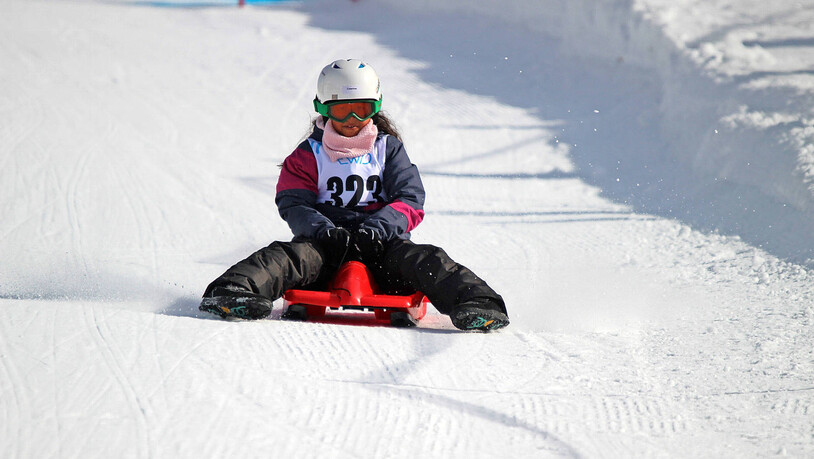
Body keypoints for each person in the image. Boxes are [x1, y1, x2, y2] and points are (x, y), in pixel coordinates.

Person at [199, 59, 509, 331]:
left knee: (425, 259)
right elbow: (293, 202)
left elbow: (410, 198)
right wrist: (322, 231)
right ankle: (232, 291)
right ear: (323, 108)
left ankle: (478, 303)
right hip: (326, 248)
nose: (351, 119)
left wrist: (380, 227)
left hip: (382, 246)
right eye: (342, 109)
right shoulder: (309, 154)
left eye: (361, 109)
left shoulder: (388, 150)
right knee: (289, 257)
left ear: (375, 107)